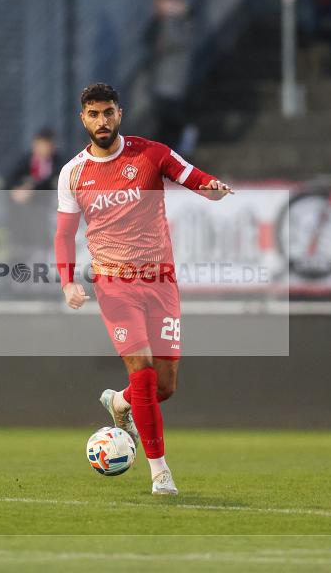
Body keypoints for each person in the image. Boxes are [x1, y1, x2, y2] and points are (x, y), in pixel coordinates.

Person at [54, 83, 233, 496]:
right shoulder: (72, 173)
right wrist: (67, 282)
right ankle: (160, 472)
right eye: (94, 114)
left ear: (120, 114)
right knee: (146, 375)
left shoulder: (150, 154)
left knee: (164, 386)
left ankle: (119, 402)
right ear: (83, 119)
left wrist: (211, 187)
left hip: (161, 282)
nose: (102, 121)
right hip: (114, 284)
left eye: (108, 112)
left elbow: (190, 175)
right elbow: (64, 235)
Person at [144, 0, 197, 155]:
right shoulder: (162, 23)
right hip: (161, 80)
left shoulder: (179, 23)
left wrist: (172, 16)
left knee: (170, 115)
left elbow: (172, 42)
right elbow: (149, 40)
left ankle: (184, 138)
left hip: (173, 80)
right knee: (163, 117)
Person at [3, 128, 60, 201]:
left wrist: (33, 187)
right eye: (40, 145)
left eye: (46, 146)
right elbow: (10, 180)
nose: (43, 149)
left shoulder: (58, 163)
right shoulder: (24, 161)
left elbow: (51, 183)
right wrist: (18, 190)